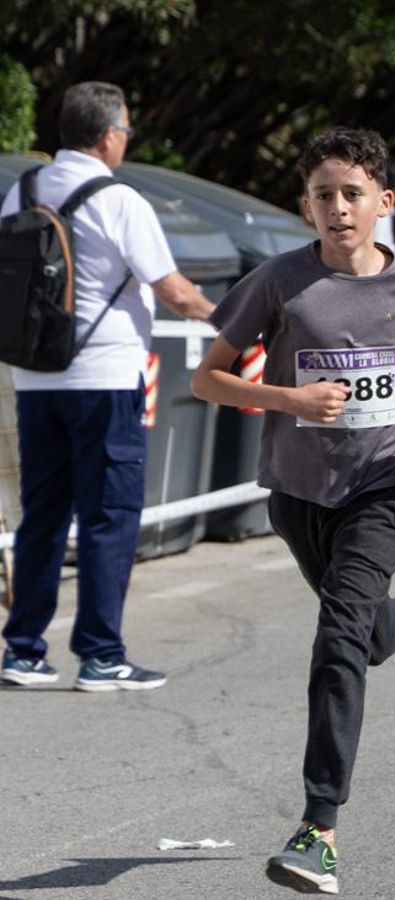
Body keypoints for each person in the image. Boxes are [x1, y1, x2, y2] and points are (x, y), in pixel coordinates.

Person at [192, 128, 395, 895]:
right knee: (356, 638)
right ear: (306, 206)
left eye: (352, 193)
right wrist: (288, 398)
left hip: (382, 486)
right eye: (323, 195)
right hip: (299, 494)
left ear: (384, 202)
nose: (338, 207)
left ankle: (317, 828)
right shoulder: (278, 283)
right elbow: (208, 380)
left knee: (335, 644)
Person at [0, 81, 215, 691]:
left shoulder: (24, 188)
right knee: (108, 515)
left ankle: (22, 651)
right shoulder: (119, 199)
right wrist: (235, 324)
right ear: (108, 135)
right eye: (125, 130)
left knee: (43, 514)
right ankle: (101, 654)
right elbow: (171, 288)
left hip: (36, 377)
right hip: (106, 378)